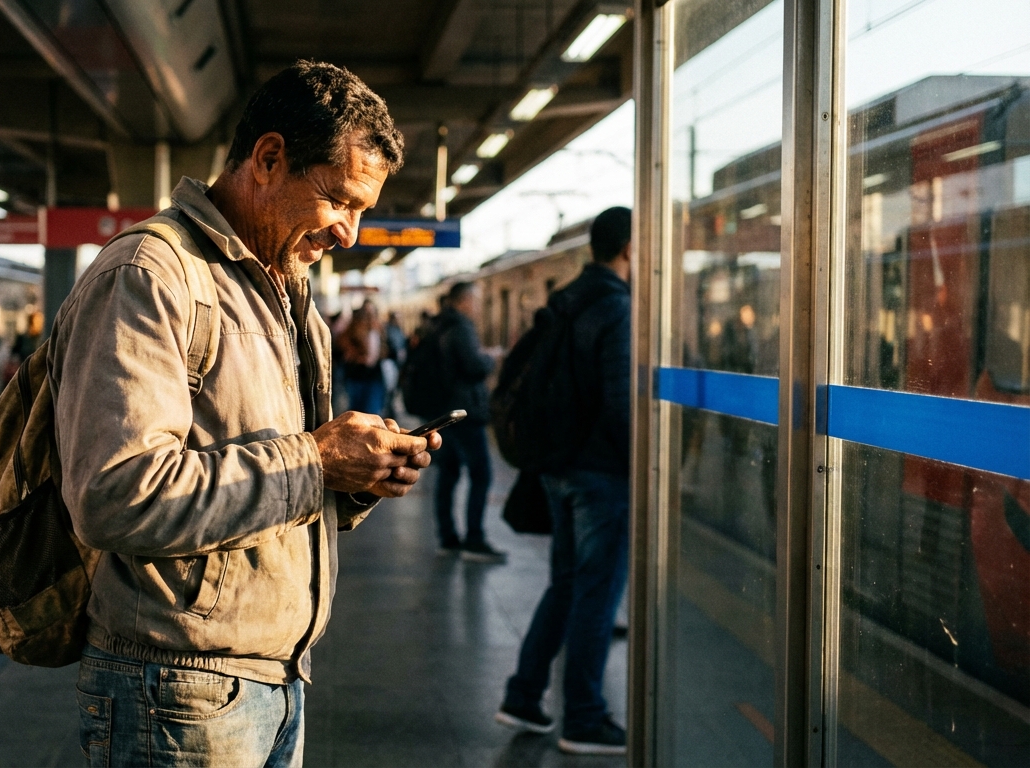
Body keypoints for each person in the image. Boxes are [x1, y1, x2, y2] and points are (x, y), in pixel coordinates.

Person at [50, 60, 439, 767]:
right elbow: (115, 494)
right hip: (173, 690)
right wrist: (316, 458)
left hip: (270, 680)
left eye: (363, 211)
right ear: (268, 158)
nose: (351, 233)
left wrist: (356, 477)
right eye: (341, 200)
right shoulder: (151, 275)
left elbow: (274, 474)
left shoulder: (287, 291)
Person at [497, 206, 633, 755]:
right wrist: (647, 468)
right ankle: (583, 716)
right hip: (601, 474)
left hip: (557, 468)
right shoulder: (618, 308)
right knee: (597, 595)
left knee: (567, 584)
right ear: (631, 248)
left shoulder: (568, 300)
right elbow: (622, 403)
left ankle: (524, 695)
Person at [428, 281, 504, 562]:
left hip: (446, 413)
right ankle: (474, 538)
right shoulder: (460, 327)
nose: (477, 306)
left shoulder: (439, 324)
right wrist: (490, 358)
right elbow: (473, 366)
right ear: (463, 301)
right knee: (481, 475)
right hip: (464, 413)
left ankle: (448, 537)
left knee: (448, 474)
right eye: (474, 300)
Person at [338, 299, 388, 414]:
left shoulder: (379, 329)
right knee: (356, 411)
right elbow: (343, 347)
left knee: (372, 411)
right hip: (357, 376)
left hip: (374, 376)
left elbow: (386, 349)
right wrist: (357, 357)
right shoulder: (353, 329)